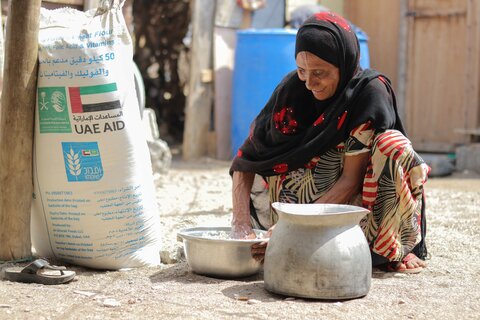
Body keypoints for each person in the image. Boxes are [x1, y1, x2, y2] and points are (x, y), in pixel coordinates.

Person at [229, 12, 429, 273]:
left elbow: (350, 182)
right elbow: (247, 158)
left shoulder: (368, 93)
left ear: (343, 64)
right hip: (290, 213)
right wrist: (240, 223)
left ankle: (384, 248)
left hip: (350, 215)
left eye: (320, 73)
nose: (310, 83)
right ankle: (284, 241)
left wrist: (295, 227)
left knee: (393, 145)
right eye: (302, 71)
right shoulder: (292, 90)